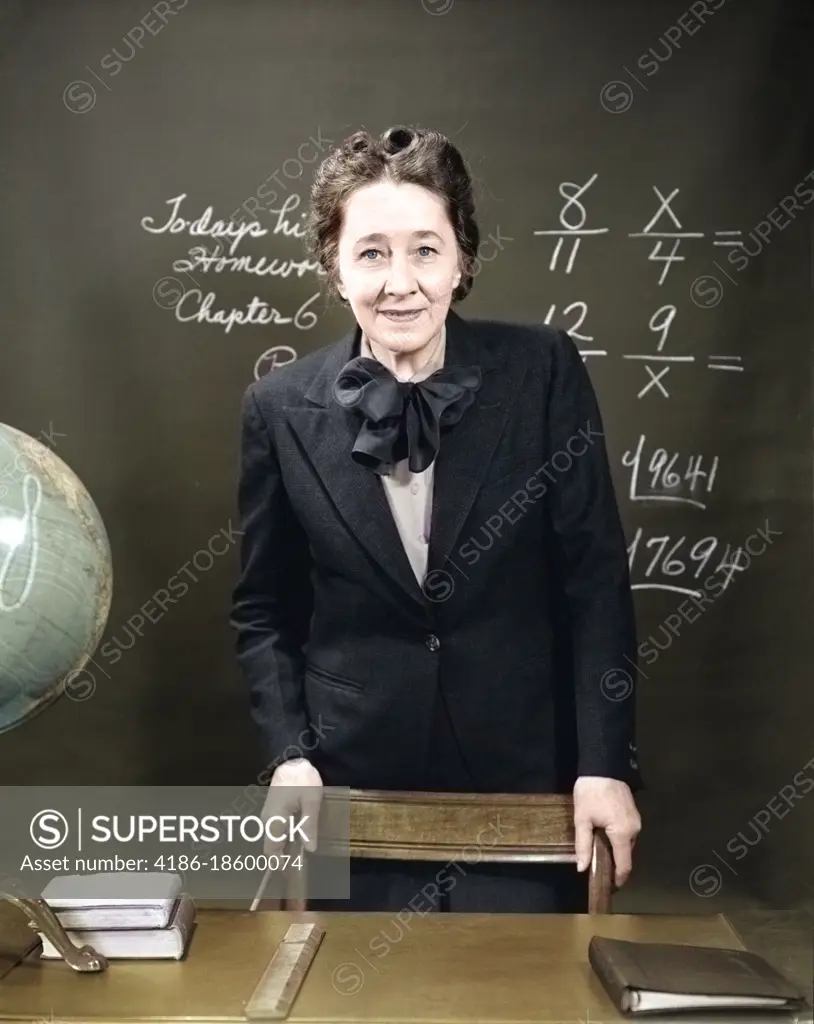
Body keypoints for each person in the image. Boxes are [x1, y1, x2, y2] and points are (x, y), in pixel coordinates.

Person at [230, 124, 642, 913]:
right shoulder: (277, 408)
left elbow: (594, 583)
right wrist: (289, 757)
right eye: (372, 252)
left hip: (528, 783)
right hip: (349, 793)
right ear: (335, 266)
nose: (400, 282)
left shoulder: (544, 370)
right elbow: (263, 610)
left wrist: (606, 763)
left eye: (426, 249)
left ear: (462, 261)